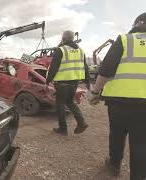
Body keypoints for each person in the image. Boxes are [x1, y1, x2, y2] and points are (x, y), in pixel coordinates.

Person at [89, 13, 146, 179]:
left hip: (120, 103)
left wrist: (94, 92)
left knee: (117, 134)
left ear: (137, 23)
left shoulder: (125, 39)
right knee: (141, 144)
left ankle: (114, 165)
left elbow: (106, 69)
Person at [46, 30, 90, 136]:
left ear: (64, 38)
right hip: (74, 82)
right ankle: (81, 122)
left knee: (60, 104)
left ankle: (63, 129)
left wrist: (47, 80)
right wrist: (87, 81)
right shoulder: (80, 50)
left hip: (62, 83)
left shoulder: (61, 50)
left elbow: (53, 67)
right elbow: (85, 67)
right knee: (70, 102)